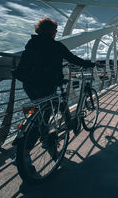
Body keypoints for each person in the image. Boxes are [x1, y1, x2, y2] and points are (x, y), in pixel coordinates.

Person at [12, 17, 95, 157]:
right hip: (47, 84)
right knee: (45, 114)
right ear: (53, 32)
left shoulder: (31, 43)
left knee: (40, 112)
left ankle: (41, 136)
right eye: (55, 30)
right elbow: (73, 58)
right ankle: (25, 154)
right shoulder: (55, 45)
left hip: (29, 84)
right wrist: (91, 64)